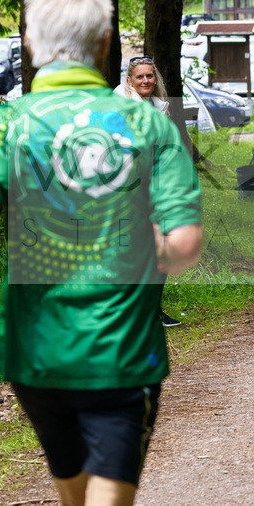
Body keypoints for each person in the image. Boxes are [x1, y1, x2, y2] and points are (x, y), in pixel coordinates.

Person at [0, 0, 203, 506]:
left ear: (35, 48)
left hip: (35, 356)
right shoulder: (147, 123)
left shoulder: (9, 125)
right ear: (107, 44)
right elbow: (184, 244)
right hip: (119, 355)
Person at [114, 57, 182, 328]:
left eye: (149, 77)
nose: (145, 81)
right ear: (129, 80)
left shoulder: (158, 108)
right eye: (140, 77)